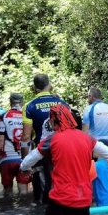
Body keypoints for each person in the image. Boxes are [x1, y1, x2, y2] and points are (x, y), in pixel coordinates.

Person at [21, 104, 108, 215]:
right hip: (84, 202)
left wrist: (24, 168)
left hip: (61, 201)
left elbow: (29, 160)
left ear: (54, 121)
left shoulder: (52, 139)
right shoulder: (87, 138)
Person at [20, 74, 69, 204]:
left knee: (42, 194)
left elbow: (26, 136)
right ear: (49, 84)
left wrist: (26, 161)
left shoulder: (29, 106)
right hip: (63, 150)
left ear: (35, 88)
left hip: (41, 152)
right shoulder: (62, 103)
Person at [0, 93, 30, 195]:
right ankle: (25, 210)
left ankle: (8, 211)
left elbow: (0, 139)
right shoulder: (28, 116)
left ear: (10, 102)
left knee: (7, 192)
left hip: (7, 158)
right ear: (22, 102)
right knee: (23, 192)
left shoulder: (3, 116)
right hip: (24, 158)